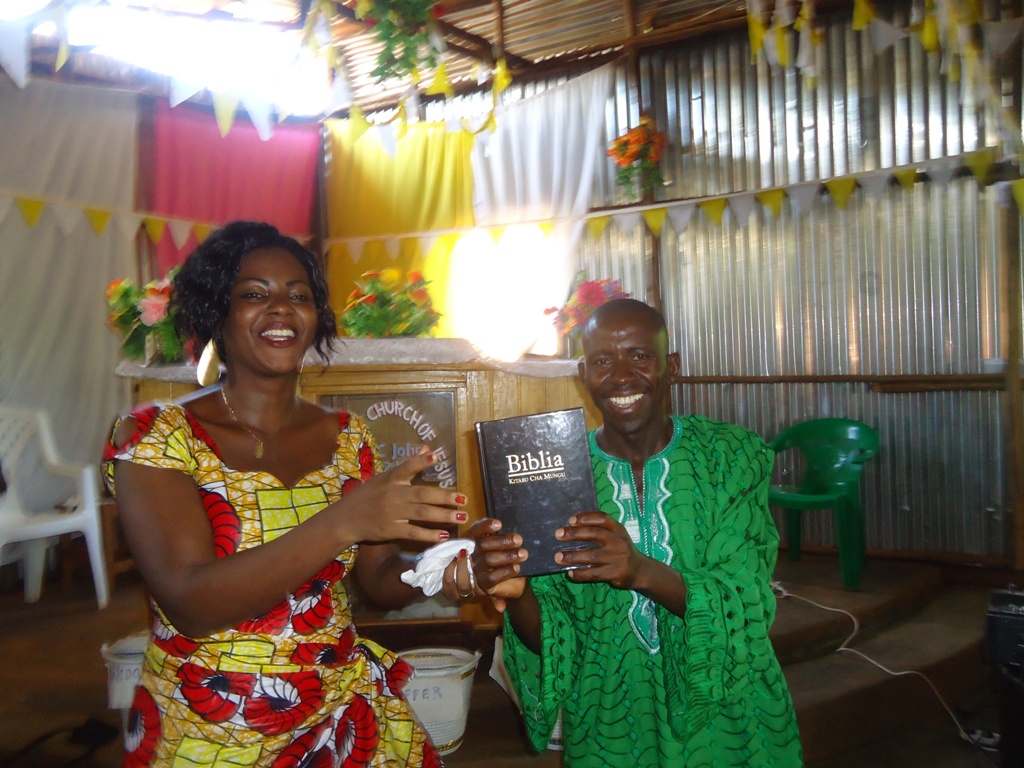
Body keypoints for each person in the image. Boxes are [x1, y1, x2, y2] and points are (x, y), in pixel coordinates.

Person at [102, 221, 463, 768]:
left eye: (299, 296)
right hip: (210, 727)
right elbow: (192, 603)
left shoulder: (349, 438)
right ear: (217, 313)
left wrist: (447, 569)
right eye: (254, 294)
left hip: (342, 717)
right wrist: (344, 521)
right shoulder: (157, 436)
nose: (280, 309)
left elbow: (379, 579)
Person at [448, 298, 803, 766]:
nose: (620, 376)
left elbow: (748, 602)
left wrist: (641, 571)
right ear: (583, 373)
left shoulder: (730, 456)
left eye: (639, 356)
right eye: (602, 361)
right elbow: (552, 641)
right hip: (611, 724)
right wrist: (518, 595)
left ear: (671, 366)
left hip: (729, 719)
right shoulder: (553, 476)